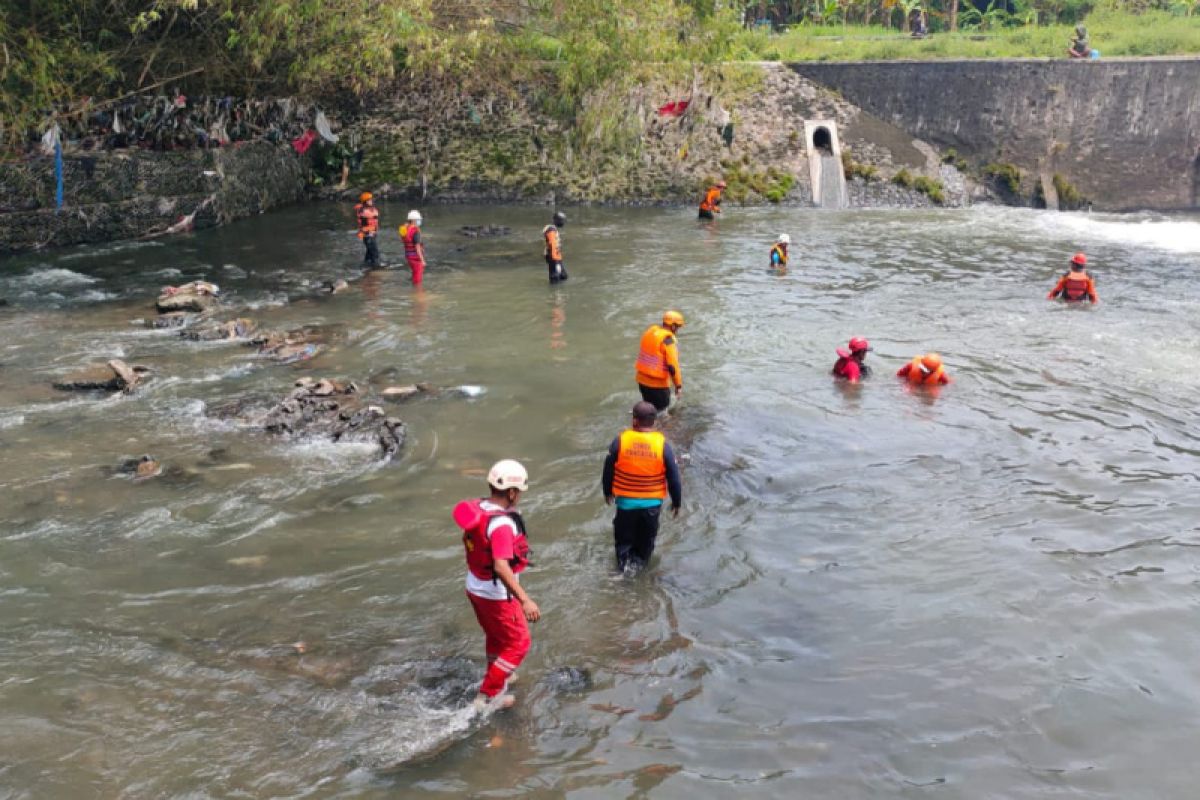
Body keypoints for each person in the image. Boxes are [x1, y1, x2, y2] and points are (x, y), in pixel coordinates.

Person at [454, 459, 540, 711]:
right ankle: (487, 697)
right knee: (518, 644)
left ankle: (501, 674)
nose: (520, 497)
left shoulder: (481, 508)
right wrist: (525, 600)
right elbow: (502, 566)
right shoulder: (502, 524)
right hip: (496, 594)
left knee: (496, 637)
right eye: (520, 492)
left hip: (475, 586)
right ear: (512, 493)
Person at [601, 401, 682, 573]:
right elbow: (674, 477)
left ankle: (622, 573)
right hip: (651, 507)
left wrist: (607, 492)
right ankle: (640, 573)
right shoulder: (663, 446)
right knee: (645, 544)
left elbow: (608, 469)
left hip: (625, 506)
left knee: (623, 543)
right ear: (654, 422)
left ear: (635, 421)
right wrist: (677, 502)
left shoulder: (620, 441)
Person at [635, 311, 685, 412]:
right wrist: (678, 386)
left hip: (642, 382)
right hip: (658, 386)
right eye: (678, 327)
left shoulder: (650, 332)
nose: (678, 330)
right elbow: (672, 366)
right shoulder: (668, 340)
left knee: (648, 411)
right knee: (662, 414)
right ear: (673, 326)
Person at [397, 210, 426, 285]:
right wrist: (422, 260)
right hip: (416, 258)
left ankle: (412, 286)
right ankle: (417, 293)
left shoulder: (404, 229)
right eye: (418, 220)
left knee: (414, 274)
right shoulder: (415, 231)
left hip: (409, 256)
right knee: (418, 281)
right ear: (413, 220)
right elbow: (417, 247)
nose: (419, 221)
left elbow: (403, 240)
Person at [354, 192, 380, 268]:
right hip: (368, 235)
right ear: (365, 202)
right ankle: (376, 269)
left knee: (369, 254)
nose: (371, 201)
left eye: (371, 199)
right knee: (375, 254)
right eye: (369, 200)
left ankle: (365, 267)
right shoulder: (365, 211)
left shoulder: (365, 209)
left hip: (371, 234)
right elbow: (374, 214)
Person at [543, 211, 568, 283]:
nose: (563, 222)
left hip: (556, 256)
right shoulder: (551, 230)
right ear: (556, 220)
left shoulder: (552, 229)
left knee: (563, 276)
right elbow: (552, 244)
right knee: (555, 278)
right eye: (561, 220)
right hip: (554, 257)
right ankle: (555, 293)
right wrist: (555, 260)